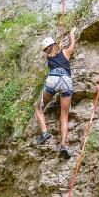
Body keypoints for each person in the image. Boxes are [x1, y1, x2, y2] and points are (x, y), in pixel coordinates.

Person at [34, 27, 77, 159]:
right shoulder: (66, 52)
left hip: (53, 79)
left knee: (38, 107)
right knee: (64, 115)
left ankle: (44, 132)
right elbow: (72, 45)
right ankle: (63, 145)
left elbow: (51, 50)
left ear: (45, 50)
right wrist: (71, 34)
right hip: (66, 80)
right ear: (55, 44)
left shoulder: (48, 57)